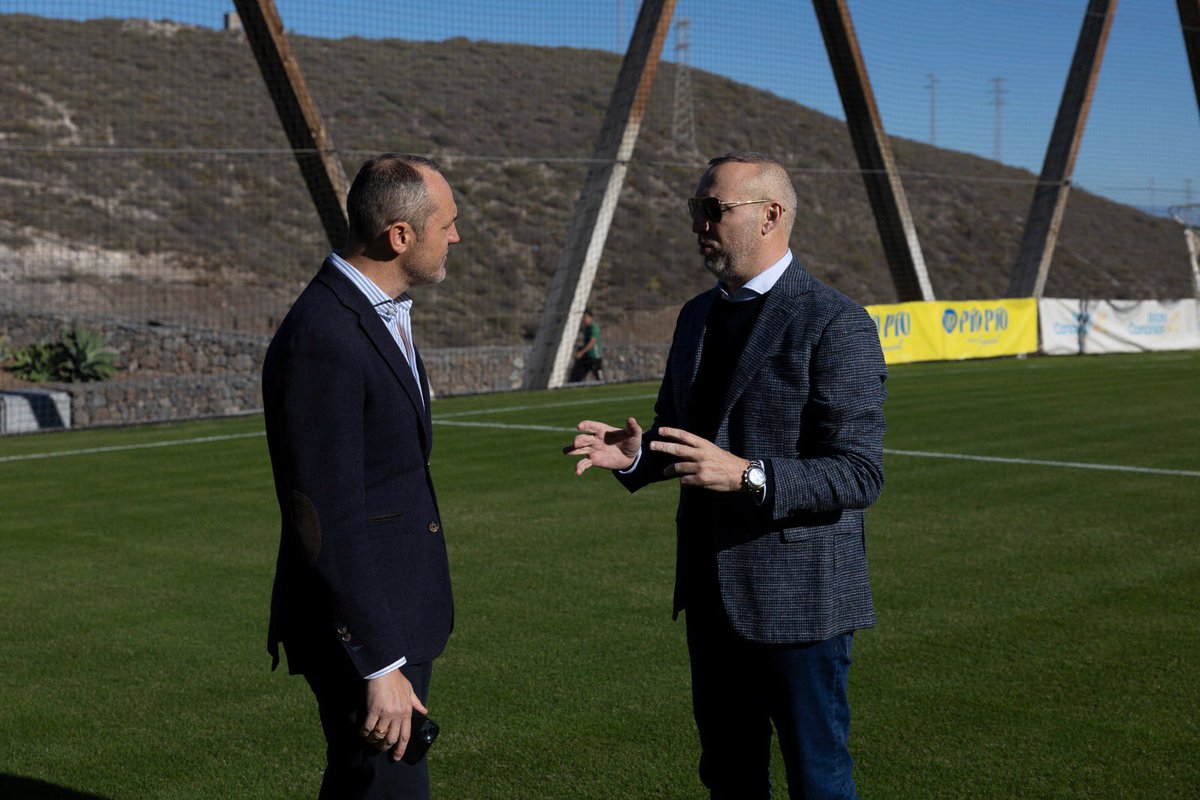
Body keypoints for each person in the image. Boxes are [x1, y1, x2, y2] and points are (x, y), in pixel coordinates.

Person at [563, 151, 886, 799]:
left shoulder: (835, 321)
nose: (699, 224)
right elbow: (681, 438)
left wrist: (750, 476)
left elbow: (857, 473)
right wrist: (637, 456)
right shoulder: (695, 317)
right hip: (712, 598)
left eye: (713, 209)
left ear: (771, 215)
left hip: (800, 605)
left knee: (818, 781)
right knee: (730, 778)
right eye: (696, 209)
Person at [262, 153, 460, 800]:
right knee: (384, 789)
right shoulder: (326, 334)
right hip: (365, 633)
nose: (456, 237)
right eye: (447, 225)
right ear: (400, 235)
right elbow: (325, 514)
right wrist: (377, 662)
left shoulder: (376, 311)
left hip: (395, 611)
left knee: (365, 785)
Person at [570, 308, 605, 382]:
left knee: (600, 377)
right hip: (587, 357)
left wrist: (581, 352)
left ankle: (604, 384)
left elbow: (592, 342)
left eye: (586, 317)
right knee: (577, 376)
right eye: (583, 317)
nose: (584, 319)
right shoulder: (586, 328)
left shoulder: (594, 328)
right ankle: (573, 383)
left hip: (595, 356)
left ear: (591, 317)